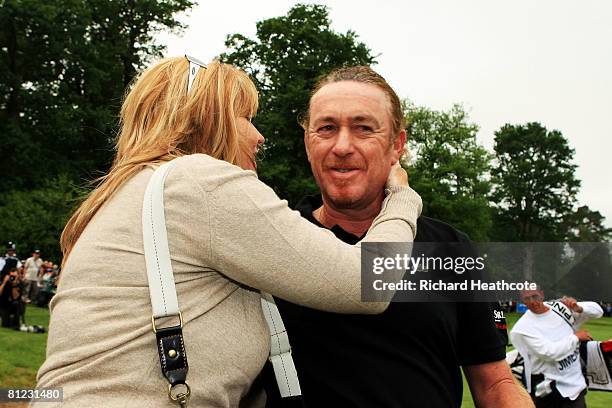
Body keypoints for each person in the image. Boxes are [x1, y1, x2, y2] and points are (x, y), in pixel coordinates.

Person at [34, 56, 422, 407]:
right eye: (246, 118)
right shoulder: (201, 182)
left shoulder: (126, 194)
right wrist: (402, 197)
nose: (259, 136)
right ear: (208, 118)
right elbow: (366, 281)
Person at [262, 65, 532, 408]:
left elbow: (495, 383)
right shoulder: (271, 240)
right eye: (327, 128)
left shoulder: (451, 249)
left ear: (397, 145)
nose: (342, 146)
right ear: (307, 142)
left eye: (363, 129)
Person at [511, 288, 603, 407]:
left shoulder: (559, 308)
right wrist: (576, 338)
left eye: (535, 296)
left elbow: (598, 311)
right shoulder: (524, 328)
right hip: (548, 390)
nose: (533, 302)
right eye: (527, 299)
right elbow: (549, 353)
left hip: (574, 384)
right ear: (522, 301)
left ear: (542, 295)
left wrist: (578, 307)